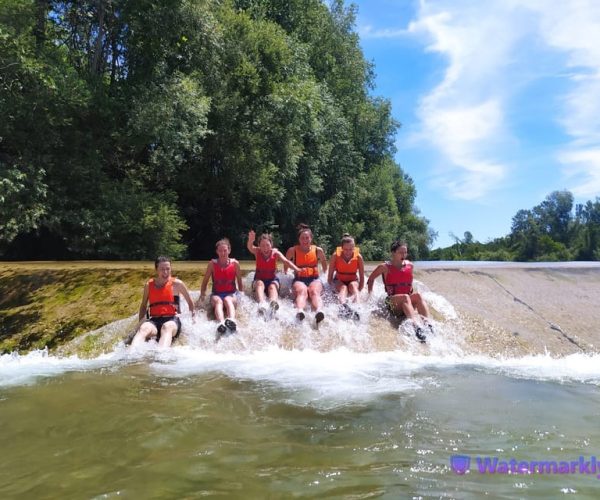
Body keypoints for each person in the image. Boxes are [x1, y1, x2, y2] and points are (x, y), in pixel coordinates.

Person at [366, 240, 432, 342]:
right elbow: (371, 279)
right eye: (401, 252)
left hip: (405, 303)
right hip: (392, 304)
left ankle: (429, 326)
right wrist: (370, 296)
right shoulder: (384, 267)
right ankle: (416, 327)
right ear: (393, 253)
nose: (404, 255)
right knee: (405, 297)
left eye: (405, 252)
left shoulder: (410, 265)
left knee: (418, 295)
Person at [131, 256, 196, 348]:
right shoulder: (149, 285)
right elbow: (143, 306)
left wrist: (193, 319)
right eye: (162, 269)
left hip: (172, 321)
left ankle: (162, 356)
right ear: (156, 270)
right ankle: (130, 355)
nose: (165, 272)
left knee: (166, 327)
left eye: (168, 269)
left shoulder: (178, 284)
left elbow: (190, 302)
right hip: (154, 320)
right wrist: (141, 322)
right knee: (144, 328)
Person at [246, 229, 300, 318]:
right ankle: (262, 304)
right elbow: (250, 247)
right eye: (262, 245)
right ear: (259, 246)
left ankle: (273, 303)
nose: (265, 248)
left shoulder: (276, 253)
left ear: (271, 245)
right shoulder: (257, 251)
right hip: (259, 279)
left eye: (267, 245)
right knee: (260, 284)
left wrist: (297, 269)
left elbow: (286, 261)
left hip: (272, 280)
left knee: (272, 287)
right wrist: (251, 240)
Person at [284, 223, 328, 324]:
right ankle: (300, 311)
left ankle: (319, 311)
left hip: (314, 279)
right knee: (302, 291)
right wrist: (287, 275)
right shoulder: (292, 251)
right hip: (299, 279)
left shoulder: (318, 251)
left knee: (314, 291)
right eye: (302, 238)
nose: (305, 240)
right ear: (299, 239)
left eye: (307, 238)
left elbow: (325, 267)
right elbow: (286, 267)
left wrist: (326, 278)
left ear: (311, 239)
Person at [200, 238, 243, 338]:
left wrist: (241, 296)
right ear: (217, 252)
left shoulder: (235, 263)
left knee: (228, 300)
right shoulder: (212, 264)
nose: (223, 253)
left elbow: (240, 282)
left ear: (229, 250)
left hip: (231, 294)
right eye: (220, 251)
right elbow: (205, 281)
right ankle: (221, 323)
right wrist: (202, 294)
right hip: (216, 294)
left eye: (225, 250)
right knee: (218, 301)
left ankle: (232, 321)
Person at [327, 233, 365, 320]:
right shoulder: (335, 256)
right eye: (345, 249)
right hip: (339, 280)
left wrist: (359, 291)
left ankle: (358, 309)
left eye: (351, 249)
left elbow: (362, 278)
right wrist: (333, 290)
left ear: (354, 248)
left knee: (354, 287)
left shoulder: (358, 257)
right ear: (341, 248)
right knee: (343, 288)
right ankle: (343, 307)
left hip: (353, 280)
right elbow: (329, 278)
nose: (348, 252)